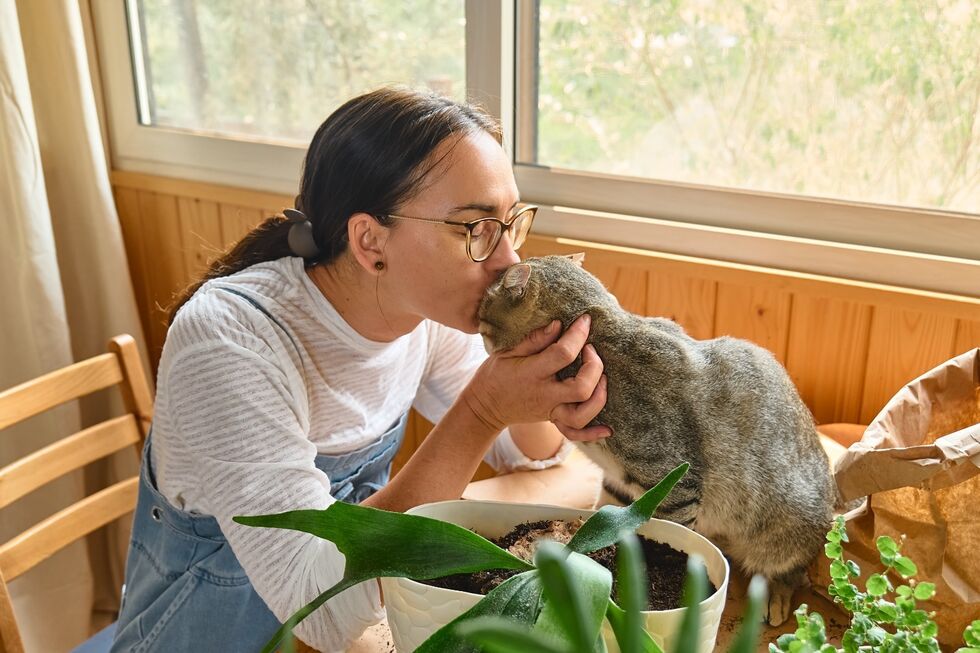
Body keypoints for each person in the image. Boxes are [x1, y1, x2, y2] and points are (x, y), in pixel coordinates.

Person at [110, 86, 610, 653]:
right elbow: (319, 611)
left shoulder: (426, 311)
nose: (508, 261)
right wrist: (483, 410)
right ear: (370, 240)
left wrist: (526, 355)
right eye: (475, 228)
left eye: (510, 223)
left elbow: (537, 461)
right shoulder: (229, 341)